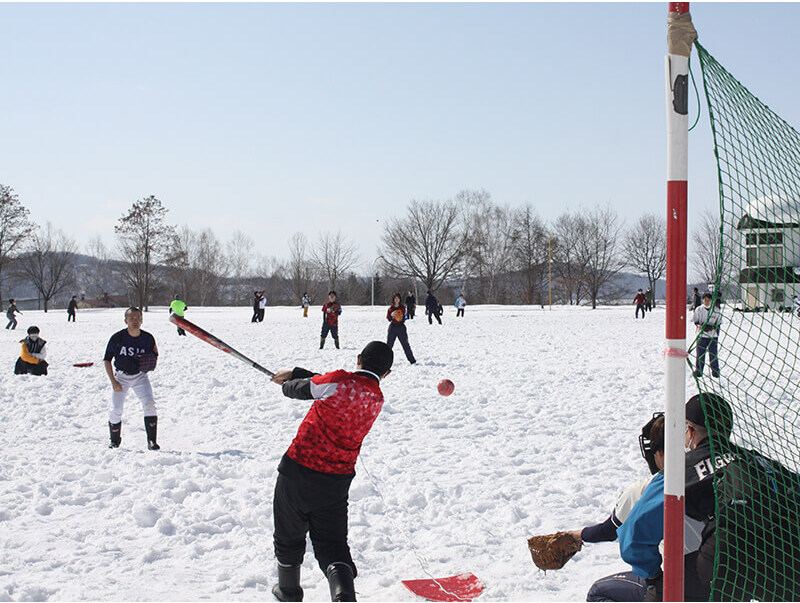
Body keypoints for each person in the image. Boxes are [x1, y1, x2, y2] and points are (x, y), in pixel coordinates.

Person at [268, 341, 394, 603]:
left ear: (358, 358)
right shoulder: (376, 398)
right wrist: (295, 371)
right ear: (387, 374)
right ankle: (344, 596)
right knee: (333, 544)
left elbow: (305, 390)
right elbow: (326, 384)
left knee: (288, 534)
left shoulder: (338, 381)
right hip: (336, 483)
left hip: (297, 471)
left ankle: (288, 592)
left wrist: (288, 384)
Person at [617, 393, 736, 602]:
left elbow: (633, 536)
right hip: (776, 565)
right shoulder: (758, 462)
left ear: (689, 431)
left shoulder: (676, 474)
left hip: (719, 567)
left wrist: (653, 575)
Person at [103, 307, 161, 450]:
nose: (135, 321)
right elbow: (106, 360)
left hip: (140, 376)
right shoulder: (118, 338)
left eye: (138, 318)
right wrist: (114, 382)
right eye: (131, 318)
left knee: (149, 404)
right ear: (126, 321)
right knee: (116, 409)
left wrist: (150, 362)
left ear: (142, 320)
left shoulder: (148, 338)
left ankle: (151, 441)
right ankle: (115, 440)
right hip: (121, 377)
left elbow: (154, 355)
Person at [692, 292, 722, 378]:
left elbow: (719, 322)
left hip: (712, 336)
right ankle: (699, 371)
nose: (707, 302)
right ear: (702, 300)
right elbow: (695, 321)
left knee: (713, 354)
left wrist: (713, 327)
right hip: (701, 336)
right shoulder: (699, 309)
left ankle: (715, 372)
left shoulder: (716, 310)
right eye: (705, 300)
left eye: (709, 300)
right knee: (700, 354)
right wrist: (700, 326)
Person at [386, 293, 416, 365]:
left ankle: (412, 360)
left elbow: (405, 318)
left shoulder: (402, 308)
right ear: (393, 299)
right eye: (395, 298)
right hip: (392, 327)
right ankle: (385, 361)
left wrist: (400, 318)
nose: (396, 300)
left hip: (401, 327)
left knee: (405, 344)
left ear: (400, 299)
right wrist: (392, 316)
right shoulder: (390, 308)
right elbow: (388, 319)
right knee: (389, 345)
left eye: (398, 298)